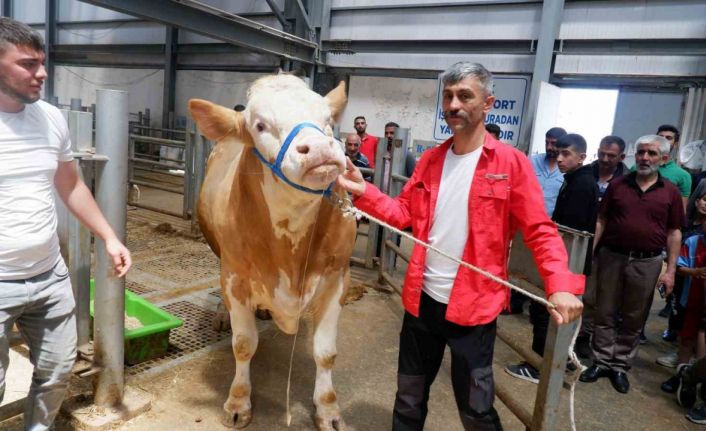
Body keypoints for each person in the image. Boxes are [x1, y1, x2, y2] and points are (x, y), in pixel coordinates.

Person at [337, 61, 584, 431]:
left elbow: (539, 230)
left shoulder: (510, 164)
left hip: (474, 310)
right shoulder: (431, 161)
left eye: (465, 95)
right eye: (448, 96)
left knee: (476, 410)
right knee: (408, 399)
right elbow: (402, 213)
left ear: (487, 104)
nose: (453, 104)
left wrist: (561, 284)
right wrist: (364, 192)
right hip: (421, 302)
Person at [0, 17, 132, 431]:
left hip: (49, 276)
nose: (41, 73)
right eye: (27, 64)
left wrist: (109, 237)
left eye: (42, 62)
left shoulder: (51, 118)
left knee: (57, 371)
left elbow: (70, 184)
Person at [580, 135, 684, 394]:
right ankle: (602, 360)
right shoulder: (618, 185)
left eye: (651, 153)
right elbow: (601, 220)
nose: (645, 158)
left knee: (634, 316)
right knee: (603, 310)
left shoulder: (670, 191)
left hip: (647, 262)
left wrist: (670, 271)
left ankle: (620, 365)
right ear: (634, 155)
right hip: (611, 257)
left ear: (663, 159)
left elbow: (674, 233)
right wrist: (588, 257)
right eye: (641, 152)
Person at [506, 133, 598, 383]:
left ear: (582, 157)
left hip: (566, 258)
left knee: (544, 311)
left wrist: (553, 262)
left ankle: (539, 365)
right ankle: (557, 360)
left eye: (566, 154)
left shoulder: (581, 184)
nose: (559, 159)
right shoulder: (575, 179)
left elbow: (572, 229)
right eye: (558, 153)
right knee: (545, 311)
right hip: (565, 256)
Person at [574, 135, 629, 358]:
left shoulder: (627, 181)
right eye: (602, 154)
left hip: (609, 247)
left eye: (611, 156)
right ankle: (567, 332)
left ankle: (584, 337)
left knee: (597, 297)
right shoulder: (584, 173)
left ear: (622, 157)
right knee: (576, 291)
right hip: (580, 240)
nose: (605, 159)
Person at [507, 126, 567, 314]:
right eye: (547, 142)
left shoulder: (566, 170)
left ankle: (538, 306)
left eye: (554, 143)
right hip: (524, 225)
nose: (550, 147)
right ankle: (515, 302)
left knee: (542, 267)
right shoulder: (531, 163)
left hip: (548, 229)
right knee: (520, 264)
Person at [659, 180, 706, 393]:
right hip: (691, 301)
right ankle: (680, 376)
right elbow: (680, 267)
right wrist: (695, 273)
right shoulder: (694, 242)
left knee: (701, 345)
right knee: (686, 339)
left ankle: (696, 381)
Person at [530, 127, 567, 217]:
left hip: (551, 222)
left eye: (553, 143)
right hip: (527, 219)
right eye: (547, 142)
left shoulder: (567, 168)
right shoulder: (533, 161)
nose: (548, 147)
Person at [656, 124, 691, 209]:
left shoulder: (683, 175)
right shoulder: (638, 167)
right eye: (660, 137)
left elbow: (681, 211)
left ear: (675, 144)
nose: (663, 140)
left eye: (668, 138)